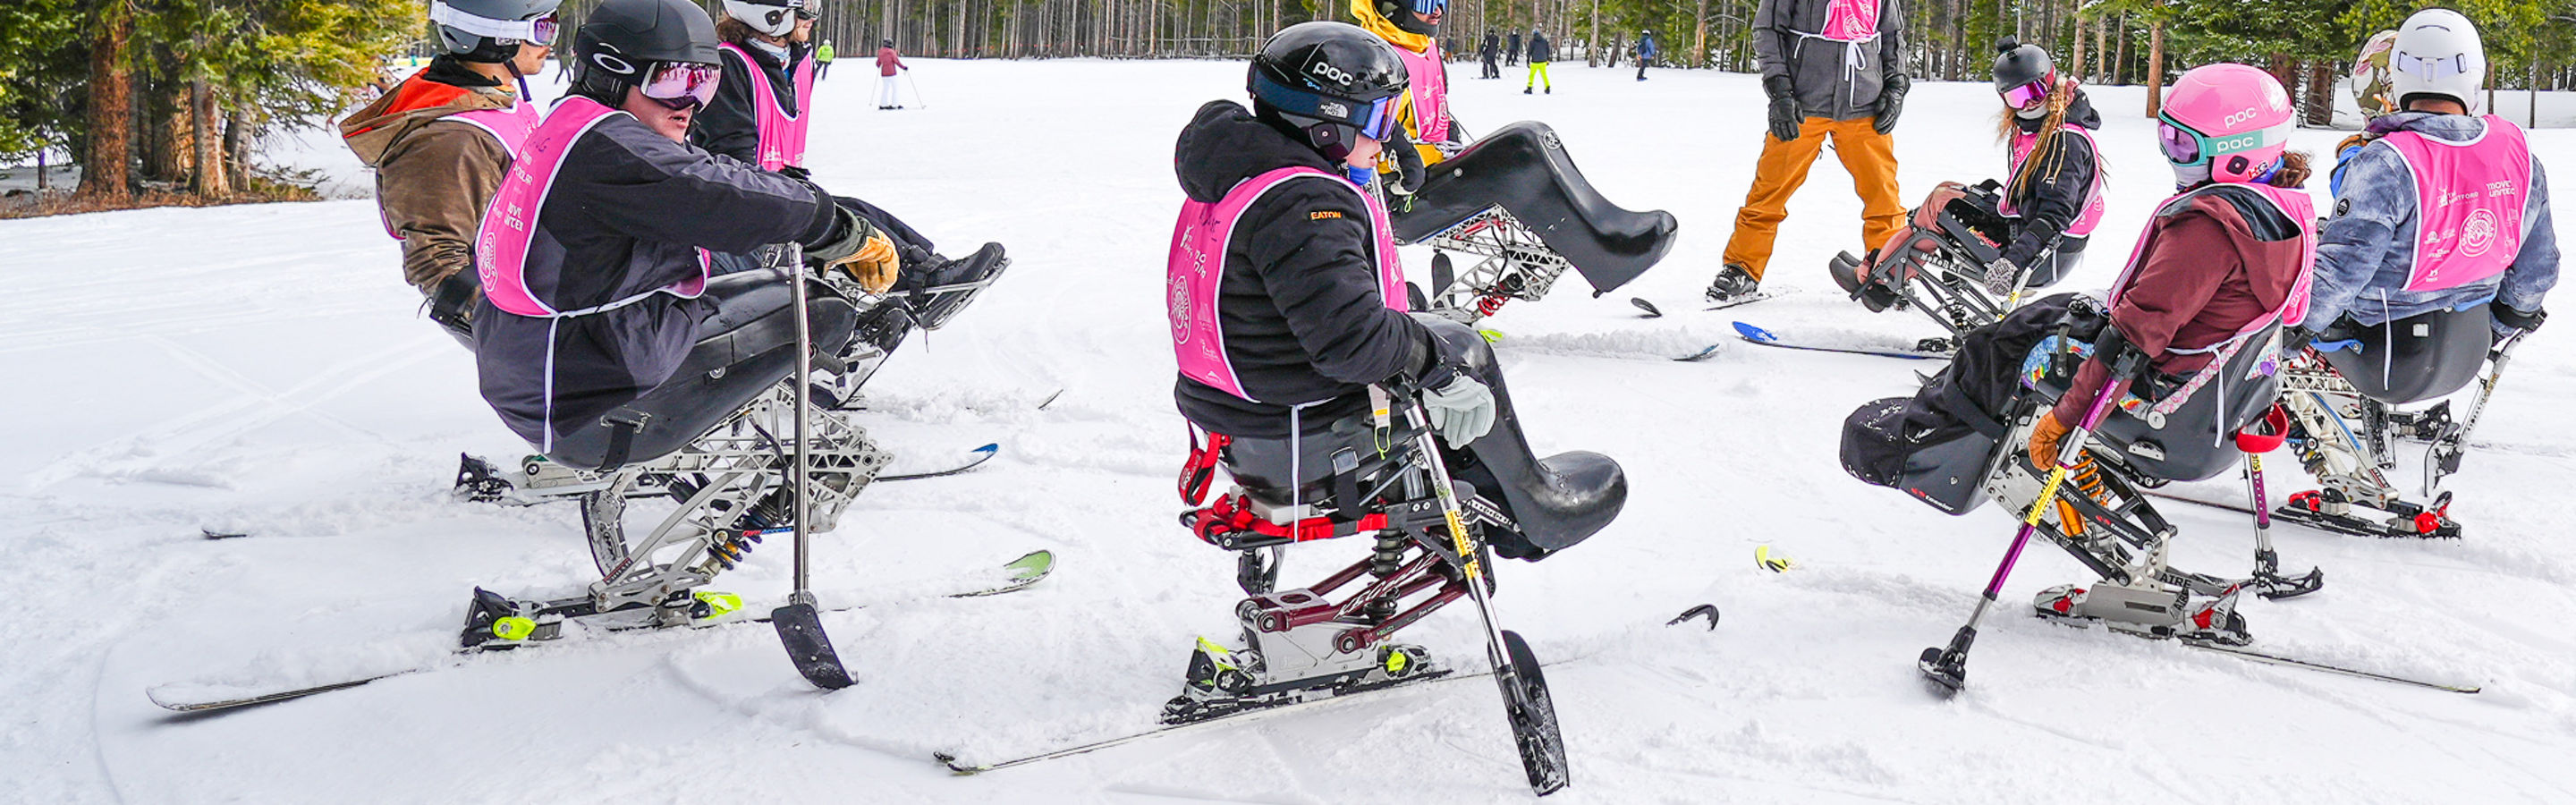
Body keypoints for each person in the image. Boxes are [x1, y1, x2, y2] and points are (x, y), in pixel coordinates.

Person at [1170, 21, 1627, 562]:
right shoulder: (1303, 206)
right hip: (1298, 432)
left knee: (1424, 336)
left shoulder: (1243, 167)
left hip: (1240, 417)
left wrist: (1382, 145)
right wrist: (1438, 367)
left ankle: (1495, 492)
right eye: (1380, 121)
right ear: (1326, 127)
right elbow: (1351, 341)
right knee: (1460, 350)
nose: (1385, 138)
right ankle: (1533, 509)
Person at [470, 0, 899, 455]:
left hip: (545, 371)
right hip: (588, 397)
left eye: (704, 84)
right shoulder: (613, 152)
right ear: (612, 73)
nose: (690, 103)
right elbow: (718, 195)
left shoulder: (575, 121)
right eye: (673, 80)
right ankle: (750, 437)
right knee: (817, 307)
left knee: (732, 285)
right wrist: (834, 227)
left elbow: (705, 170)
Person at [2025, 63, 2318, 465]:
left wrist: (2065, 419)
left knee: (2016, 341)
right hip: (2215, 404)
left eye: (2183, 145)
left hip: (2164, 406)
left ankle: (1944, 437)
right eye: (2168, 138)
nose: (2170, 155)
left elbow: (2132, 338)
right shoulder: (2279, 211)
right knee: (2051, 310)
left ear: (2237, 152)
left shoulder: (2207, 232)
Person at [2302, 8, 2555, 384]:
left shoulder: (2385, 162)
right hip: (2467, 351)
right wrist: (2502, 325)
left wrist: (2285, 335)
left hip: (2382, 355)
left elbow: (2341, 273)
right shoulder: (2519, 157)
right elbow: (2538, 272)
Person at [339, 0, 561, 342]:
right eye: (542, 28)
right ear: (498, 39)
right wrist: (522, 338)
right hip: (531, 327)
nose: (550, 42)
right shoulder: (451, 137)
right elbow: (439, 264)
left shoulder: (493, 101)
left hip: (551, 295)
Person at [1707, 0, 1909, 304]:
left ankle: (1887, 273)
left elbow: (1893, 36)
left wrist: (1896, 87)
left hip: (1864, 105)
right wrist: (1780, 92)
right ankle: (1742, 269)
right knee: (1769, 191)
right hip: (1802, 104)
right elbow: (1767, 30)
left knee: (1884, 197)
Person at [1980, 38, 2105, 292]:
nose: (2029, 103)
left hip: (2044, 256)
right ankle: (1886, 277)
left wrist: (2012, 262)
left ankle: (1881, 285)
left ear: (2050, 82)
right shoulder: (2033, 130)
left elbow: (2054, 215)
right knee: (1946, 194)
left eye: (2034, 91)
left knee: (1937, 209)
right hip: (2031, 235)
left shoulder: (2064, 141)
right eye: (2017, 97)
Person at [1351, 0, 1456, 178]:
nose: (1438, 11)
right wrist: (1404, 153)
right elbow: (1361, 119)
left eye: (1442, 2)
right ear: (1391, 6)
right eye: (1426, 4)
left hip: (1434, 164)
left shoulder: (1425, 46)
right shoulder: (1371, 56)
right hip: (1390, 176)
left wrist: (1448, 127)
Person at [877, 38, 908, 110]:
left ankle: (883, 104)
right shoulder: (891, 52)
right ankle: (895, 104)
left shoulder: (881, 51)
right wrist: (904, 67)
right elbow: (896, 61)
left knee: (885, 89)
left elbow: (878, 63)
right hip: (892, 73)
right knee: (895, 89)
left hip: (884, 74)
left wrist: (879, 65)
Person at [1523, 28, 1551, 94]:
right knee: (1544, 75)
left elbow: (1529, 52)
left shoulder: (1532, 42)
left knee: (1531, 75)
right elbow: (1547, 50)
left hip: (1535, 61)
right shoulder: (1544, 41)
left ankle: (1529, 87)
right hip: (1543, 61)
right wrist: (1547, 59)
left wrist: (1528, 61)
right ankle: (1547, 87)